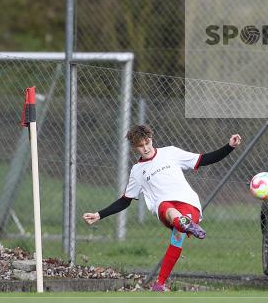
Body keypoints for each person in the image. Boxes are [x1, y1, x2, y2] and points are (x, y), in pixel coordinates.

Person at [82, 124, 242, 291]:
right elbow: (125, 201)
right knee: (167, 207)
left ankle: (159, 284)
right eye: (140, 146)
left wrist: (229, 146)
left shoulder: (170, 153)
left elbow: (205, 159)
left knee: (177, 239)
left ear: (151, 139)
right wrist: (99, 214)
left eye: (147, 143)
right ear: (134, 148)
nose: (145, 148)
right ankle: (184, 223)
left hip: (189, 203)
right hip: (165, 208)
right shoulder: (137, 171)